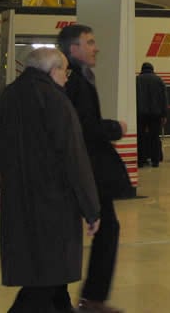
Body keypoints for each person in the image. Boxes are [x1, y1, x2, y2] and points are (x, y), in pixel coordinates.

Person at [0, 48, 100, 313]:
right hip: (54, 206)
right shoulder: (55, 99)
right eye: (65, 71)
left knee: (52, 280)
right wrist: (91, 209)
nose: (67, 77)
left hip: (18, 202)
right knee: (45, 282)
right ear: (53, 71)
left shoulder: (6, 96)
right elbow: (74, 157)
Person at [58, 24, 131, 313]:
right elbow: (84, 128)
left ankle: (90, 297)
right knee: (107, 228)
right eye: (89, 42)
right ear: (73, 49)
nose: (95, 47)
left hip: (85, 168)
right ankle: (92, 299)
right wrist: (115, 128)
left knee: (104, 228)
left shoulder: (77, 79)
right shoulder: (76, 81)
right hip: (87, 170)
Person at [136, 62, 168, 167]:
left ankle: (141, 160)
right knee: (154, 137)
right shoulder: (158, 80)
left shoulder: (137, 80)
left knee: (140, 137)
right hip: (156, 114)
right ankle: (155, 161)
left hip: (140, 113)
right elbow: (164, 98)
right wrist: (164, 114)